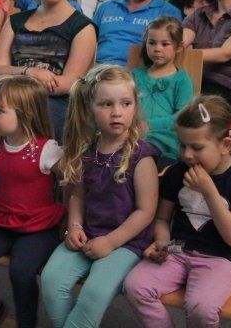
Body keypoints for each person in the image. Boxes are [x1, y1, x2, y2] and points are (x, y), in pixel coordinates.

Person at [123, 96, 231, 328]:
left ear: (225, 145)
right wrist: (163, 242)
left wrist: (209, 191)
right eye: (182, 145)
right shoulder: (177, 172)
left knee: (202, 307)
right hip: (178, 248)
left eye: (196, 147)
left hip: (221, 258)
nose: (186, 154)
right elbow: (162, 218)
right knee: (135, 285)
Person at [40, 65, 158, 328]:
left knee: (93, 293)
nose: (117, 112)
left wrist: (110, 242)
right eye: (106, 104)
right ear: (90, 109)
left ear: (135, 107)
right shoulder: (88, 152)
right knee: (50, 280)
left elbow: (146, 211)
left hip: (125, 242)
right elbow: (78, 196)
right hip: (88, 234)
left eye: (125, 103)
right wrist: (74, 226)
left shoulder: (142, 156)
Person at [0, 76, 64, 328]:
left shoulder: (46, 149)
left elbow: (72, 179)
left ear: (26, 115)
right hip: (3, 220)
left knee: (20, 273)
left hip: (38, 226)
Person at [0, 0, 97, 140]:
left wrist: (13, 78)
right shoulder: (15, 21)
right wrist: (31, 72)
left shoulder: (83, 27)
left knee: (15, 120)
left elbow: (67, 83)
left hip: (53, 102)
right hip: (9, 97)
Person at [132, 17, 194, 167]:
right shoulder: (135, 75)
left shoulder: (182, 80)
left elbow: (182, 116)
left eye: (165, 44)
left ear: (179, 47)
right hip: (132, 130)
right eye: (152, 43)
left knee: (142, 150)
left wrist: (148, 125)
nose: (157, 49)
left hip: (163, 135)